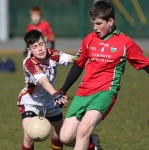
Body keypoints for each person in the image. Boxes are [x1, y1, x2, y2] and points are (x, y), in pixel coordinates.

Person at [59, 1, 149, 150]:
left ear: (110, 21)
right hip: (83, 92)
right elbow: (79, 65)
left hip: (105, 92)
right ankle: (93, 144)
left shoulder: (125, 43)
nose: (95, 28)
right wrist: (63, 90)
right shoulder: (89, 39)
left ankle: (88, 138)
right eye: (93, 23)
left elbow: (145, 64)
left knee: (83, 131)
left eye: (99, 23)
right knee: (66, 137)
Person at [17, 29, 75, 150]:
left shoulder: (51, 54)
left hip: (49, 101)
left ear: (45, 43)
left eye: (41, 44)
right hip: (31, 101)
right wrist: (56, 94)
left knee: (59, 136)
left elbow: (70, 59)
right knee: (29, 134)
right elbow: (43, 81)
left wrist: (80, 56)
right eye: (35, 46)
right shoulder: (29, 63)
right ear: (29, 50)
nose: (40, 49)